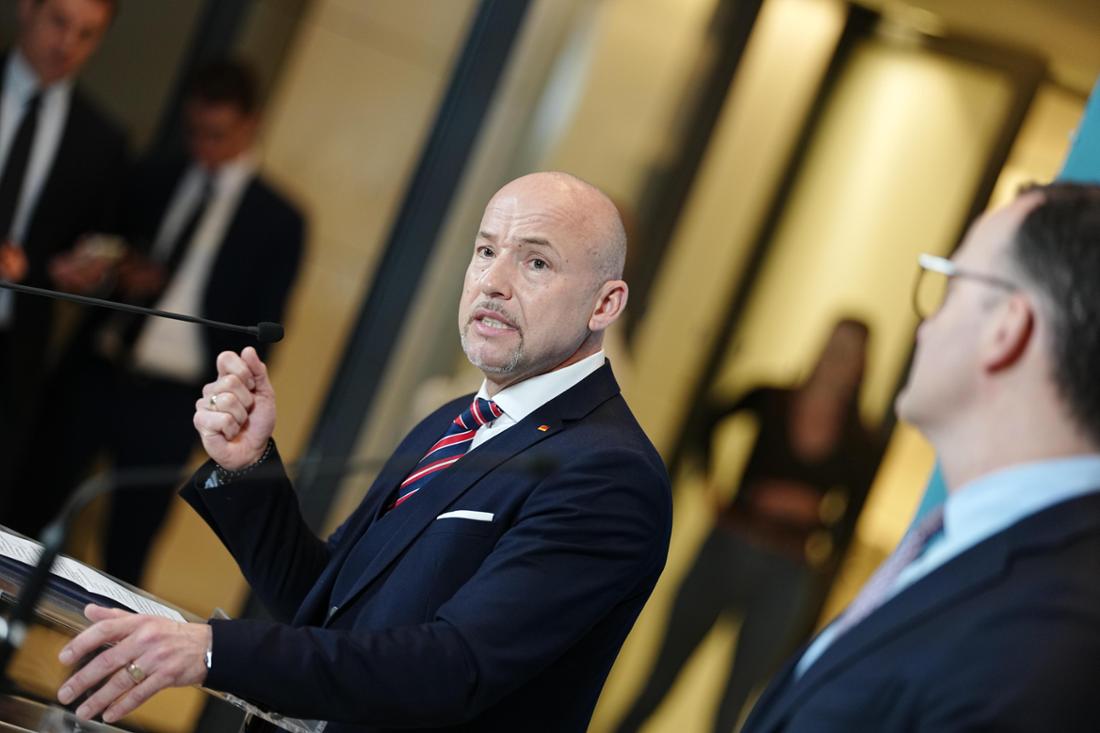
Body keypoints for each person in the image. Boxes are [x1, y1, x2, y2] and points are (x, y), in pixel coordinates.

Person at [54, 171, 673, 732]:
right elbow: (324, 602)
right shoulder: (453, 421)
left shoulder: (608, 475)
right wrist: (248, 465)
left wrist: (212, 650)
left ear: (605, 304)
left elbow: (452, 668)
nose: (493, 282)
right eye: (485, 251)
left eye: (536, 264)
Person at [739, 183, 1100, 732]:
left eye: (950, 286)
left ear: (1006, 328)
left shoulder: (1045, 635)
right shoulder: (974, 541)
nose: (924, 325)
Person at [9, 59, 304, 584]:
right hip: (98, 371)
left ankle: (104, 661)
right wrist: (119, 273)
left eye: (218, 135)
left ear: (251, 124)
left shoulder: (278, 220)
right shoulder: (153, 175)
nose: (203, 147)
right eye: (194, 132)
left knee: (128, 545)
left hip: (174, 400)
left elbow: (264, 327)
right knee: (26, 510)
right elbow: (95, 253)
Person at [615, 319, 879, 733]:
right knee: (657, 684)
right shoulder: (772, 399)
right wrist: (712, 485)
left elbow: (850, 522)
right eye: (834, 346)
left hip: (786, 572)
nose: (837, 360)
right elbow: (710, 418)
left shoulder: (859, 442)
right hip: (728, 548)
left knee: (734, 710)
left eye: (849, 353)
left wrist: (813, 523)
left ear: (862, 366)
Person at [0, 0, 127, 493]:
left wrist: (82, 269)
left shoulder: (101, 139)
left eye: (87, 34)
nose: (67, 46)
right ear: (26, 9)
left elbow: (96, 243)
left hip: (14, 352)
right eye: (59, 22)